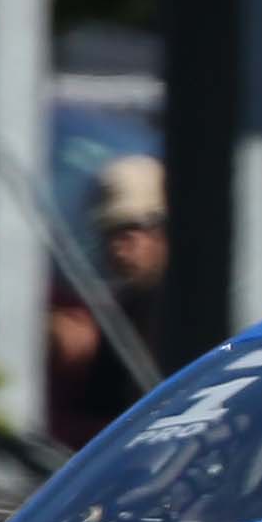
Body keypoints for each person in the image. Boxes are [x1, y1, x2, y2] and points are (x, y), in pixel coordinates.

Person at [44, 153, 171, 448]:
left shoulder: (190, 314)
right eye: (110, 235)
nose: (118, 249)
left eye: (130, 232)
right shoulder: (118, 316)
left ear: (162, 230)